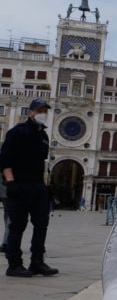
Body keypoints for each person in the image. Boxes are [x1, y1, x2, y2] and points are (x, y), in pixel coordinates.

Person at [0, 99, 59, 277]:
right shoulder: (17, 132)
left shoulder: (43, 136)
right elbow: (5, 160)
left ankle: (37, 262)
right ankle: (14, 264)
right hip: (19, 183)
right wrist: (10, 182)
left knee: (42, 224)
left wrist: (44, 185)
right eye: (40, 110)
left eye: (45, 110)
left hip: (37, 186)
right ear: (31, 112)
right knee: (17, 225)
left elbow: (41, 163)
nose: (43, 113)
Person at [0, 179, 8, 253]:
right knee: (9, 216)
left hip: (4, 190)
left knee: (7, 215)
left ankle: (6, 242)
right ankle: (6, 243)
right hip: (8, 189)